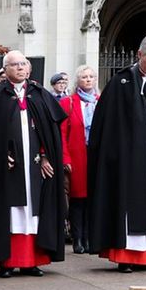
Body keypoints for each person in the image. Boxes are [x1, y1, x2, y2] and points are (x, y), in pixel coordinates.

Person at [86, 35, 146, 272]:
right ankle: (126, 255)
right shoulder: (122, 82)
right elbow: (107, 124)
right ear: (139, 55)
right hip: (127, 159)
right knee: (128, 203)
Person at [0, 50, 65, 277]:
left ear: (29, 68)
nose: (20, 68)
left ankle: (33, 260)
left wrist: (45, 155)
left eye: (23, 64)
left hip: (34, 166)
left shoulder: (40, 95)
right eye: (14, 64)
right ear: (5, 69)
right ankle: (7, 261)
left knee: (34, 211)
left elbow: (51, 133)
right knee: (10, 212)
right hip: (7, 170)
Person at [59, 65, 96, 253]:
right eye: (84, 77)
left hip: (94, 157)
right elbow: (62, 133)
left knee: (92, 199)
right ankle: (78, 238)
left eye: (91, 76)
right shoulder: (69, 102)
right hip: (77, 156)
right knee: (77, 199)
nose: (88, 80)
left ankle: (90, 237)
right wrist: (65, 158)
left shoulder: (99, 101)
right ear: (77, 81)